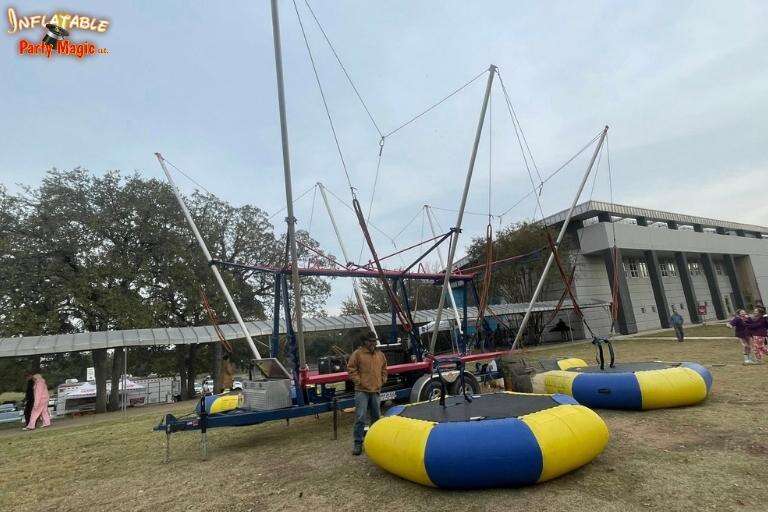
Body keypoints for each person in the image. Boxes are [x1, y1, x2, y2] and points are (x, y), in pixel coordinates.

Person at [347, 333, 388, 456]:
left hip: (375, 390)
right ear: (364, 341)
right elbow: (351, 369)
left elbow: (384, 368)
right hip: (362, 391)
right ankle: (358, 443)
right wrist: (359, 382)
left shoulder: (380, 354)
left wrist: (383, 379)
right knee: (360, 417)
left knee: (376, 417)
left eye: (374, 341)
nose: (373, 343)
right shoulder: (357, 354)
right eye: (370, 341)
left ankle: (375, 441)